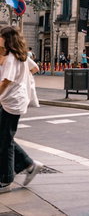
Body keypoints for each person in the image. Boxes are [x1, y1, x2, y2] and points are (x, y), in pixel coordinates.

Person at [0, 26, 43, 193]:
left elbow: (5, 82)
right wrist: (23, 81)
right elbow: (35, 69)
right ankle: (28, 164)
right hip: (13, 100)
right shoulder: (21, 55)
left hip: (12, 102)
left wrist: (18, 81)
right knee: (5, 138)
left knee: (5, 143)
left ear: (8, 39)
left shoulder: (12, 58)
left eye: (1, 36)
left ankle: (6, 180)